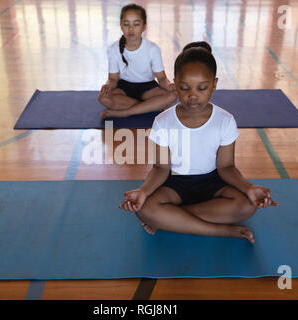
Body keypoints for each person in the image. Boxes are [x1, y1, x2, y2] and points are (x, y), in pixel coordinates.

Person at [119, 42, 278, 243]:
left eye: (202, 88)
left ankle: (171, 219)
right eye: (185, 88)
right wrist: (143, 191)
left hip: (213, 183)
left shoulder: (225, 120)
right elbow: (160, 168)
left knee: (247, 204)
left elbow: (227, 167)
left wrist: (248, 188)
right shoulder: (163, 122)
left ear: (214, 84)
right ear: (175, 84)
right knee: (145, 207)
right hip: (175, 184)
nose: (193, 96)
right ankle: (221, 230)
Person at [98, 3, 177, 119]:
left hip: (148, 89)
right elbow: (113, 79)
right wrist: (107, 86)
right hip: (124, 88)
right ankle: (150, 107)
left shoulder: (152, 49)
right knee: (103, 98)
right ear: (121, 25)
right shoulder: (113, 49)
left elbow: (161, 78)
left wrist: (169, 86)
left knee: (173, 95)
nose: (131, 29)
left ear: (144, 26)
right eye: (126, 24)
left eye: (136, 24)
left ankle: (124, 112)